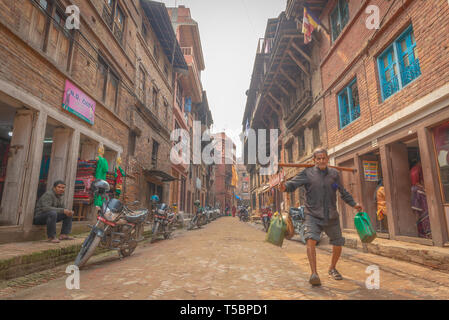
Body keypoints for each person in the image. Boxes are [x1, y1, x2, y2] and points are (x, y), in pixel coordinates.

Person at [280, 148, 363, 287]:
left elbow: (341, 191)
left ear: (327, 158)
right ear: (314, 160)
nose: (321, 161)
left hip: (331, 215)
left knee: (338, 243)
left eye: (323, 158)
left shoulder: (334, 175)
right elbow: (292, 184)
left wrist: (354, 204)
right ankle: (314, 273)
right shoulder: (307, 174)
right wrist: (283, 187)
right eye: (318, 158)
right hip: (312, 214)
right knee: (310, 240)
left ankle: (332, 268)